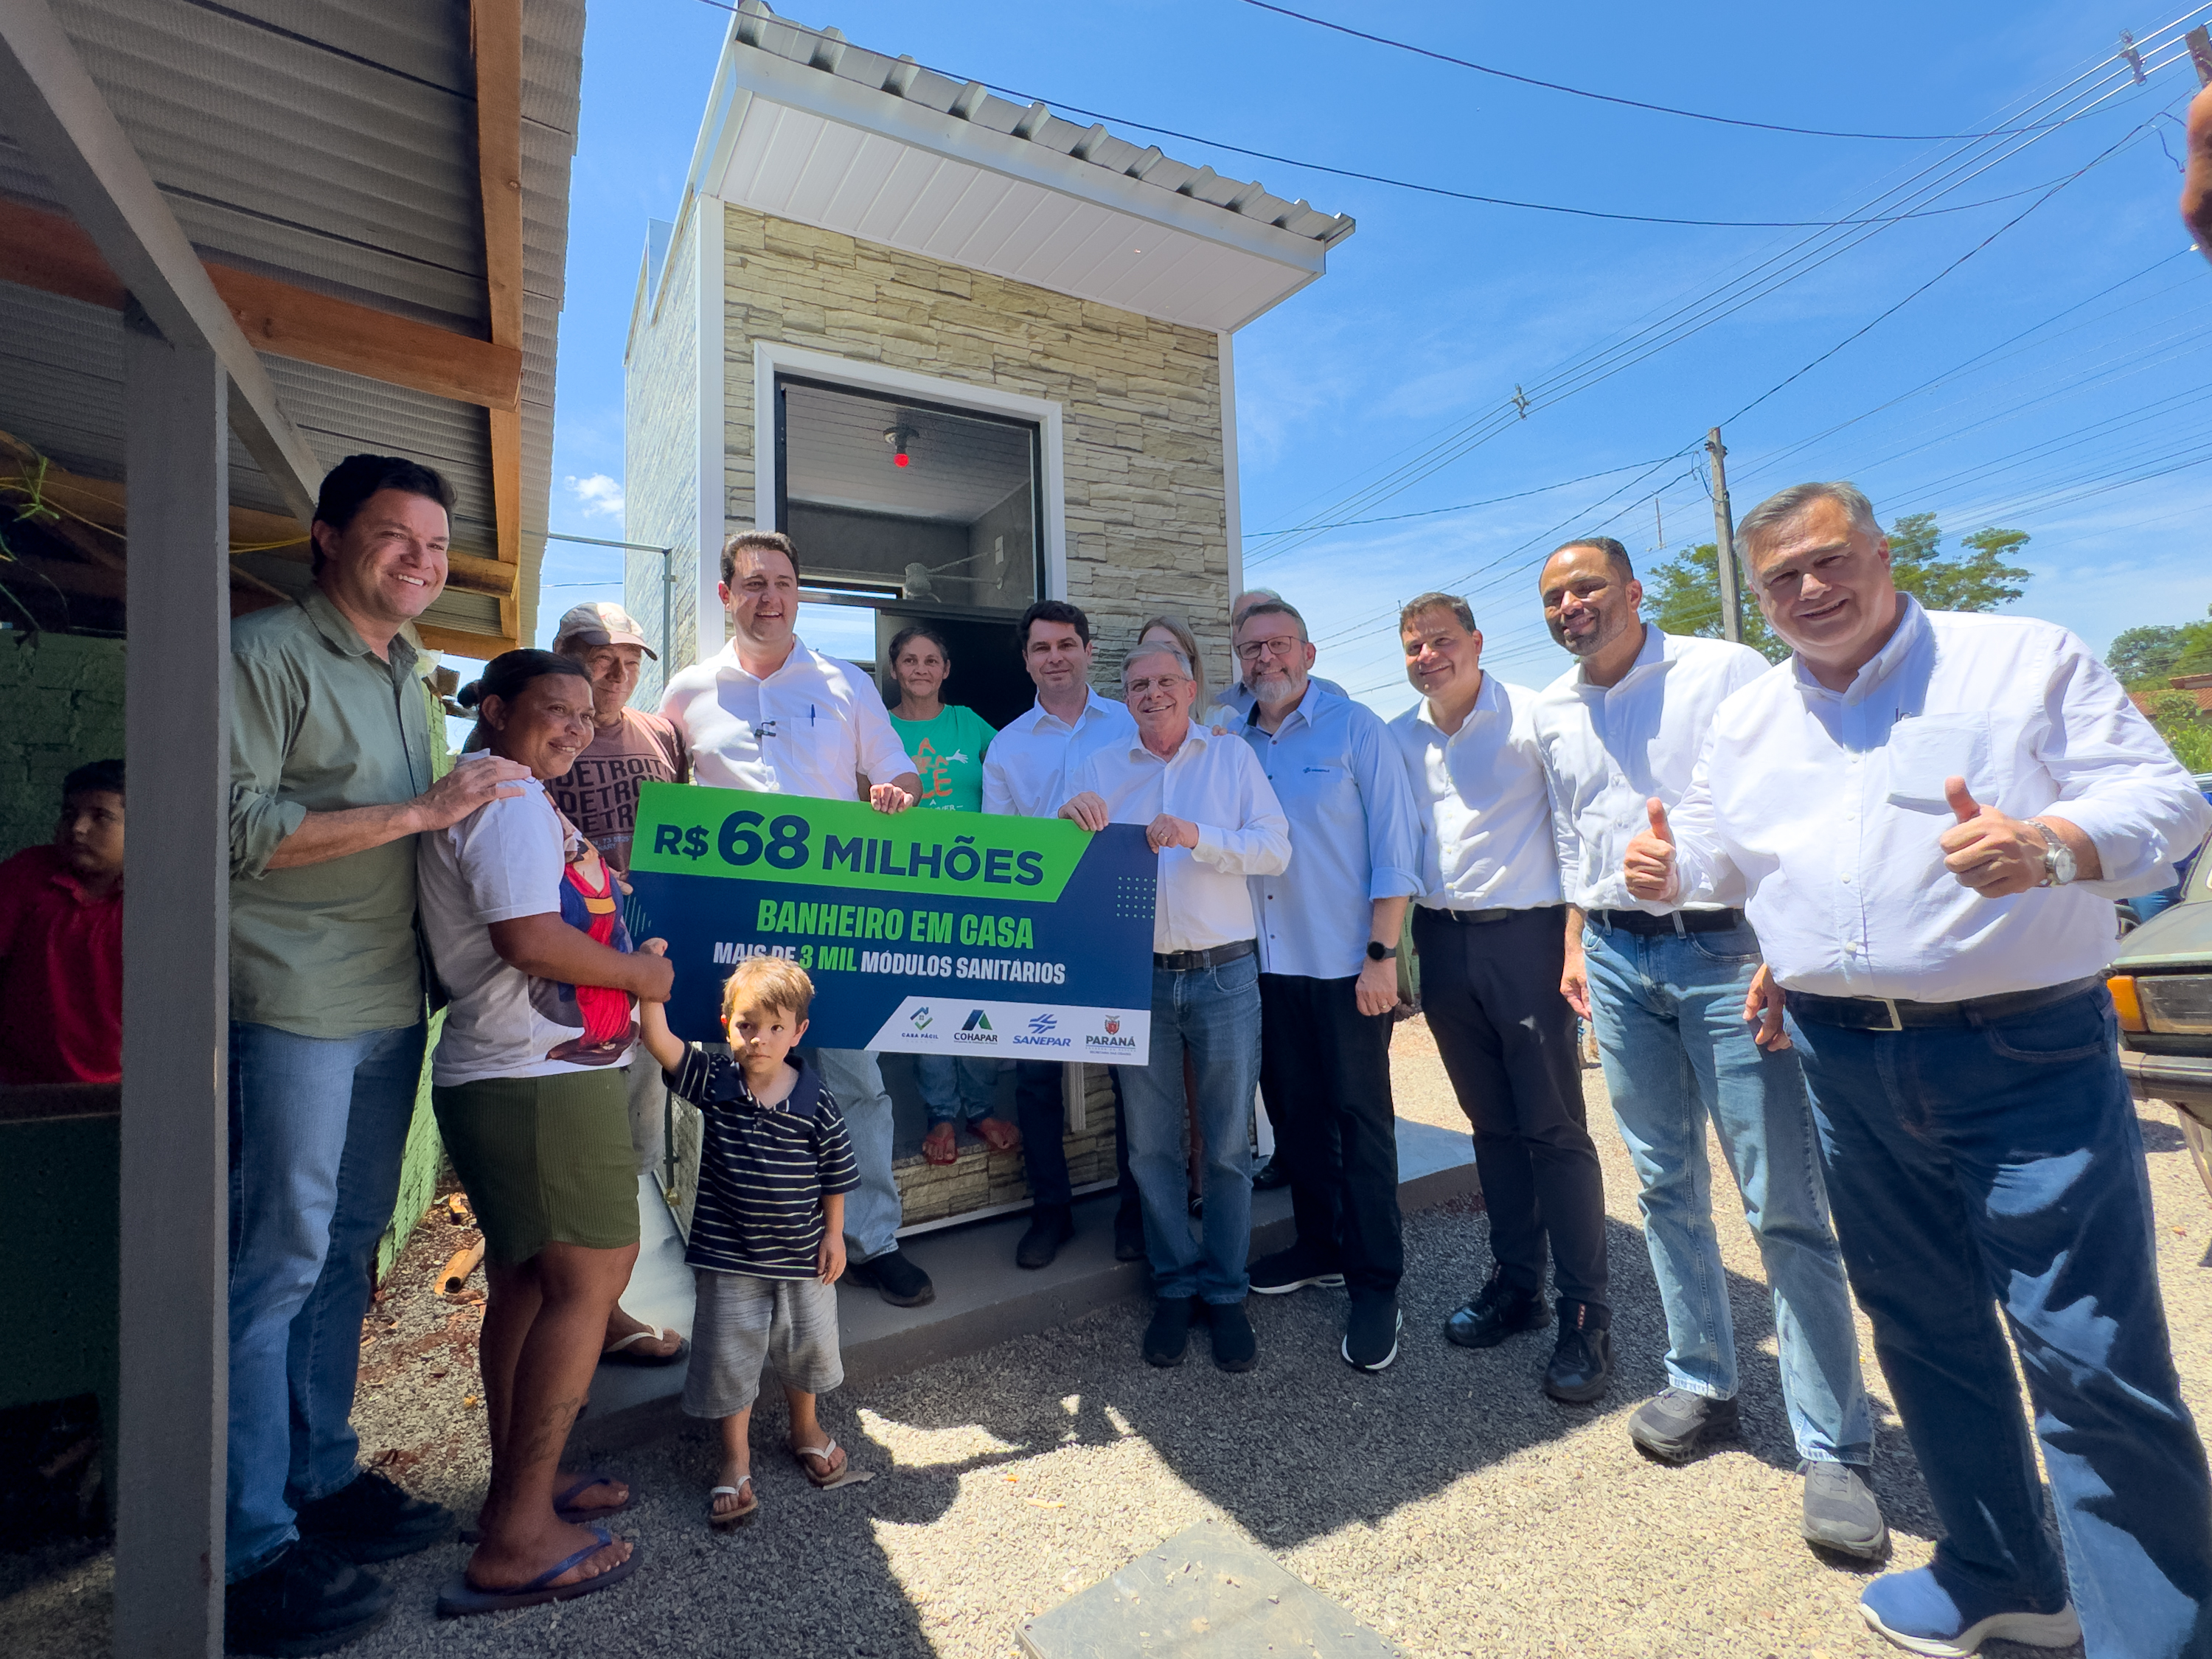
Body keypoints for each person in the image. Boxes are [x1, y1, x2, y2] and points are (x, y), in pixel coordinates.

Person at [1625, 481, 2212, 1658]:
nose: (1809, 589)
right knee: (1923, 1329)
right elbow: (1728, 854)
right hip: (1842, 1058)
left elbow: (2168, 804)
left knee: (2088, 1354)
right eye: (1781, 577)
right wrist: (1669, 867)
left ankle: (2162, 1631)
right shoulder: (1750, 717)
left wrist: (2052, 845)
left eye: (1829, 559)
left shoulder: (2020, 658)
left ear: (1882, 553)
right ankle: (2005, 1578)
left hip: (2023, 1051)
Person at [225, 455, 531, 1654]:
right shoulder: (264, 654)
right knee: (275, 1264)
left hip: (389, 997)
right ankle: (244, 1547)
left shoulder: (410, 673)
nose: (421, 558)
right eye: (396, 535)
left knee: (346, 1249)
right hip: (293, 1001)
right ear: (327, 537)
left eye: (436, 544)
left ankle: (319, 1478)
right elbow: (231, 826)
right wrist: (425, 810)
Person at [1528, 538, 1883, 1559]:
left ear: (1634, 590)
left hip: (1726, 952)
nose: (1571, 605)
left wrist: (1782, 945)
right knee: (1662, 1185)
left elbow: (1788, 806)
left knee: (1782, 1203)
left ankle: (1834, 1444)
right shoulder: (1553, 707)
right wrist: (1576, 938)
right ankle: (1703, 1381)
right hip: (1614, 954)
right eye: (1554, 596)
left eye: (1587, 586)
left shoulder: (1724, 670)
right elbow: (1573, 833)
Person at [417, 649, 668, 1617]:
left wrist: (618, 938)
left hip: (524, 1070)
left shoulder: (513, 795)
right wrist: (641, 977)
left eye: (584, 714)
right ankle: (519, 1540)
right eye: (552, 708)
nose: (573, 725)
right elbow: (525, 938)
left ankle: (521, 1490)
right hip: (534, 1079)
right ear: (493, 708)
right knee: (595, 1273)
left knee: (529, 1280)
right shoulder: (510, 800)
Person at [659, 531, 932, 1307]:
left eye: (782, 583)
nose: (769, 598)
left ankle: (873, 1240)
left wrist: (897, 794)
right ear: (726, 595)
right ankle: (756, 1247)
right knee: (746, 1089)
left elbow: (900, 772)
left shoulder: (846, 683)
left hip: (835, 925)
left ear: (799, 593)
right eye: (753, 584)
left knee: (856, 1085)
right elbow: (665, 800)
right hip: (735, 935)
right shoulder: (686, 693)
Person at [1387, 594, 1613, 1406]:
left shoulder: (1534, 717)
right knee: (1491, 1127)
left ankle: (1587, 1314)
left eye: (1440, 641)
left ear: (1477, 642)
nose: (1427, 657)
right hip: (1442, 942)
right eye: (1414, 647)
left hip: (1528, 939)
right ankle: (1519, 1286)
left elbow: (1578, 829)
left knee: (1554, 1130)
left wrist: (1576, 940)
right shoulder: (1400, 738)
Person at [1060, 639, 1290, 1371]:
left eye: (1165, 682)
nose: (1152, 694)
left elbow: (1275, 849)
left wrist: (1199, 836)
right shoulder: (1099, 767)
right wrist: (1067, 818)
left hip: (1226, 976)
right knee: (1150, 1148)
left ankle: (1225, 1291)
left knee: (1225, 1148)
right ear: (1124, 698)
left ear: (1191, 690)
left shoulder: (1231, 757)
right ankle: (1174, 1285)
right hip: (1139, 981)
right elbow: (1059, 862)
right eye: (1138, 685)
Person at [1231, 601, 1423, 1373]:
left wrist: (1383, 956)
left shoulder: (1356, 730)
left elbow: (1397, 849)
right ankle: (1320, 1247)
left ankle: (1377, 1283)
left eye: (1278, 644)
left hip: (1348, 968)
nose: (1265, 659)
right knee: (1296, 1119)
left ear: (1308, 652)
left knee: (1362, 1126)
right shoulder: (1231, 739)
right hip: (1266, 968)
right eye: (1251, 648)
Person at [634, 949, 860, 1528]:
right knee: (728, 1357)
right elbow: (658, 1040)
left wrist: (835, 1236)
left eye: (776, 1028)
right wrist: (648, 976)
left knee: (806, 1347)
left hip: (804, 1260)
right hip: (728, 1261)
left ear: (799, 1032)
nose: (760, 1039)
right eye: (747, 1025)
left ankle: (805, 1428)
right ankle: (734, 1458)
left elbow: (836, 1172)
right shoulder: (715, 1080)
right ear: (726, 1024)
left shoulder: (816, 1100)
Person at [547, 600, 693, 1370]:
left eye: (631, 660)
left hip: (646, 973)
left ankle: (605, 1312)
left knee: (633, 1146)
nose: (617, 672)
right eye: (600, 657)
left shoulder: (662, 733)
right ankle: (570, 1313)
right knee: (570, 1153)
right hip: (563, 979)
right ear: (564, 654)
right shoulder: (538, 733)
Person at [981, 599, 1142, 1269]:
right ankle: (1052, 1213)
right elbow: (998, 843)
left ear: (1088, 651)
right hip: (1042, 928)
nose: (1056, 657)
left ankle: (1137, 1212)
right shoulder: (1007, 746)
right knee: (1037, 1079)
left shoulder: (1131, 723)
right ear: (1026, 660)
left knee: (1133, 1078)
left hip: (1122, 924)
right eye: (1042, 648)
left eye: (1067, 644)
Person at [882, 620, 1015, 1166]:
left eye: (931, 660)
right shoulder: (880, 729)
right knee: (927, 1003)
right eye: (910, 660)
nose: (921, 669)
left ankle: (981, 1108)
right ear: (895, 670)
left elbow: (1019, 769)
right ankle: (941, 1113)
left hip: (976, 886)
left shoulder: (970, 723)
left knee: (977, 998)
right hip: (910, 888)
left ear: (946, 670)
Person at [0, 758, 123, 1085]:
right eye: (69, 814)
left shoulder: (162, 901)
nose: (78, 828)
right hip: (19, 1084)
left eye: (101, 816)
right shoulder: (28, 873)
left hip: (122, 1089)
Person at [1207, 588, 1344, 721]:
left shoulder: (1334, 697)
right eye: (1241, 620)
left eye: (1266, 613)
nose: (1266, 656)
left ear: (1308, 654)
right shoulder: (1219, 708)